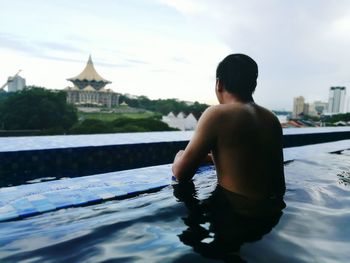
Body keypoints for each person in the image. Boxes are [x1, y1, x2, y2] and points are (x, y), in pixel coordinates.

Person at [172, 54, 285, 202]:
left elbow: (181, 174)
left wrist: (179, 156)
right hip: (273, 213)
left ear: (219, 84)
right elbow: (248, 158)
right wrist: (213, 159)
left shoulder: (217, 114)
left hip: (237, 216)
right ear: (253, 85)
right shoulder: (271, 118)